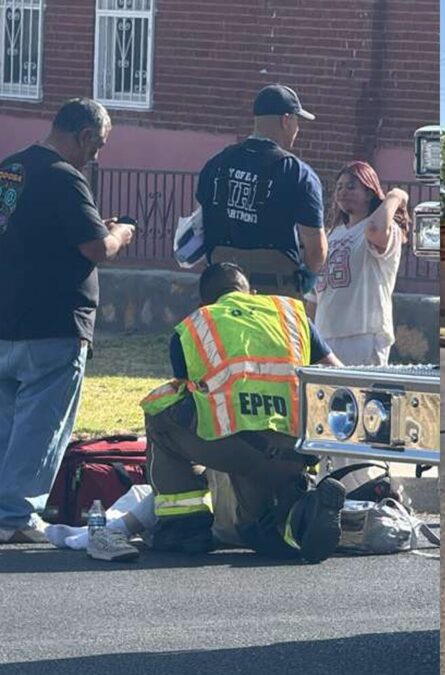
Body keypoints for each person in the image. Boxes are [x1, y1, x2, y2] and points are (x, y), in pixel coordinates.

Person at [140, 263, 347, 562]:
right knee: (258, 530)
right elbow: (338, 376)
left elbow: (189, 398)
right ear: (252, 293)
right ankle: (302, 511)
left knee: (160, 412)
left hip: (240, 449)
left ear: (204, 303)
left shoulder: (196, 325)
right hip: (296, 452)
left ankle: (185, 527)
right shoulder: (290, 314)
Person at [0, 99, 135, 544]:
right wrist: (120, 232)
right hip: (55, 323)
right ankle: (16, 515)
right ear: (84, 136)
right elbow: (97, 248)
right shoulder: (65, 177)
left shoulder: (11, 169)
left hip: (7, 317)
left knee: (6, 421)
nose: (96, 156)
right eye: (98, 146)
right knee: (41, 424)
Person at [197, 84, 327, 299]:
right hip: (274, 293)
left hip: (221, 292)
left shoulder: (215, 164)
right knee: (310, 335)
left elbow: (199, 227)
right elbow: (316, 247)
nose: (297, 129)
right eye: (297, 121)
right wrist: (308, 276)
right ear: (286, 120)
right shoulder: (297, 173)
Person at [313, 161, 409, 366]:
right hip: (325, 336)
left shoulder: (383, 228)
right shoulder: (333, 234)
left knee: (360, 396)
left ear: (369, 193)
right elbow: (314, 295)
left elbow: (375, 229)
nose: (342, 192)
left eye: (351, 187)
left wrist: (396, 196)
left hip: (363, 335)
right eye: (339, 187)